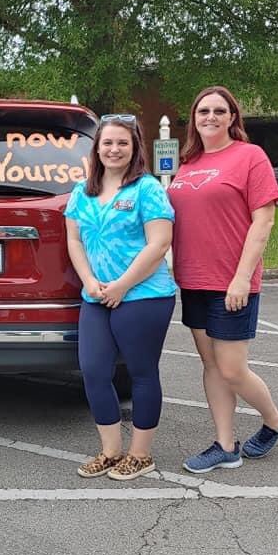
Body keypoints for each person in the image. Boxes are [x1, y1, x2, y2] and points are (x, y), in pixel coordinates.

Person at [167, 86, 278, 474]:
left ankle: (274, 420)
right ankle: (225, 445)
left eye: (221, 111)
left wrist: (241, 278)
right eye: (204, 110)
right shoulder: (187, 163)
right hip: (193, 280)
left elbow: (264, 220)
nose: (211, 117)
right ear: (195, 118)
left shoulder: (250, 157)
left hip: (232, 282)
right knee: (211, 366)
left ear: (233, 117)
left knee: (233, 368)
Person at [65, 115, 176, 481]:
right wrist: (90, 281)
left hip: (143, 294)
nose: (114, 149)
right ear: (97, 147)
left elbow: (160, 243)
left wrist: (123, 285)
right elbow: (75, 241)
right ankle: (111, 451)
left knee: (142, 373)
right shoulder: (82, 191)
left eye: (122, 143)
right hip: (96, 295)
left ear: (134, 148)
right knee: (94, 372)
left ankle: (140, 454)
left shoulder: (147, 189)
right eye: (107, 143)